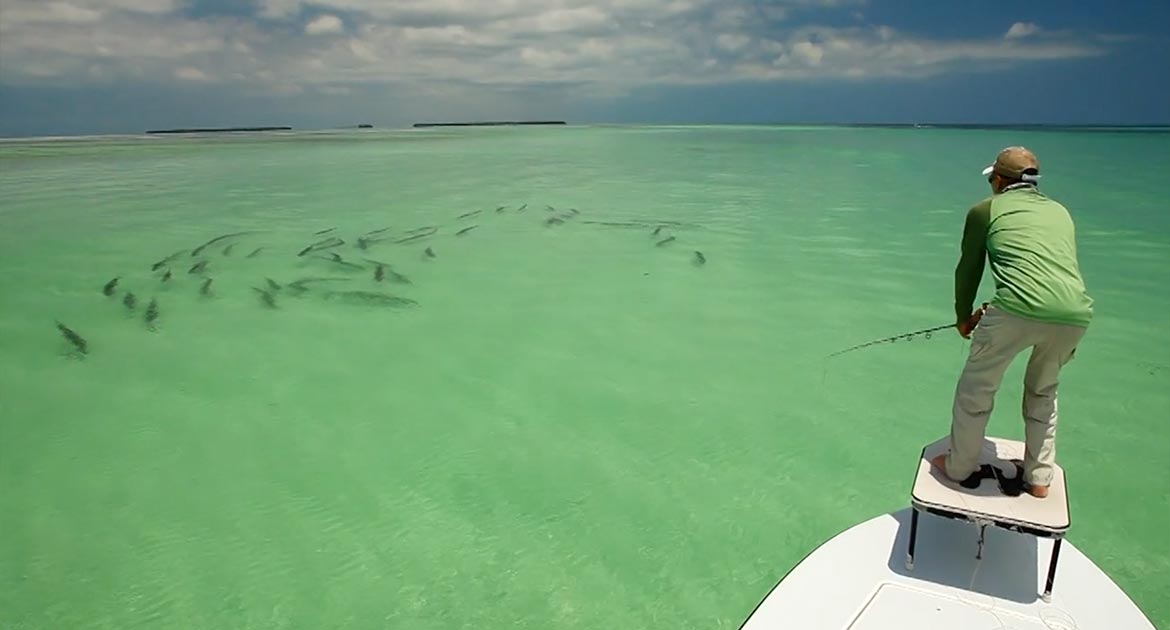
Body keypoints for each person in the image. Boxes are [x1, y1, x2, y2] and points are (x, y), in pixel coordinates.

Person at [930, 146, 1093, 499]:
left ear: (1000, 180)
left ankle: (959, 467)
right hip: (1075, 314)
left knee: (977, 388)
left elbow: (968, 270)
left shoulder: (984, 210)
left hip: (1014, 311)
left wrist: (963, 318)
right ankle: (1038, 478)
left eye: (993, 179)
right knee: (1044, 392)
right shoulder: (1061, 212)